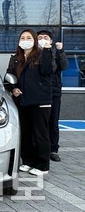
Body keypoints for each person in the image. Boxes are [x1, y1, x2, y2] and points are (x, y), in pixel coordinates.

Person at [7, 29, 55, 176]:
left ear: (34, 40)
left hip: (40, 101)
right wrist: (13, 88)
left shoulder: (42, 55)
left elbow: (48, 70)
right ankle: (28, 161)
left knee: (40, 134)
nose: (25, 40)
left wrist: (47, 49)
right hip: (22, 101)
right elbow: (9, 75)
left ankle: (42, 165)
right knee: (26, 133)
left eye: (28, 37)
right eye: (22, 37)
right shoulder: (16, 58)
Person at [37, 30, 68, 162]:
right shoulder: (33, 54)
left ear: (51, 41)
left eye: (46, 37)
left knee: (53, 121)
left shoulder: (55, 53)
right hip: (37, 92)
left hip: (54, 92)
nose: (43, 39)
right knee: (39, 122)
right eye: (40, 37)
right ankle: (38, 148)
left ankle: (53, 149)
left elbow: (64, 66)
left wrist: (60, 51)